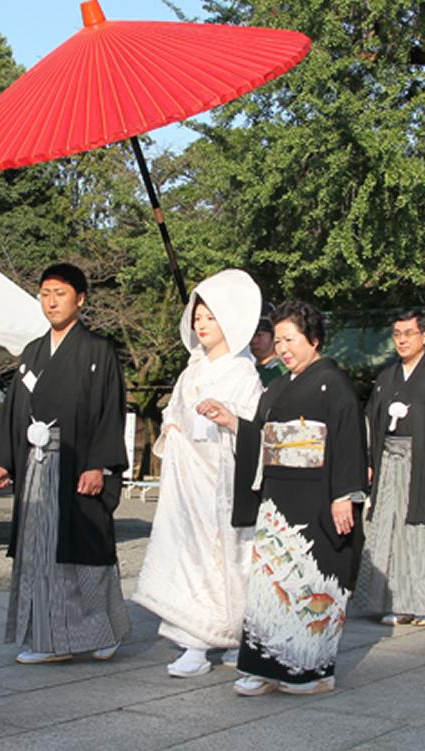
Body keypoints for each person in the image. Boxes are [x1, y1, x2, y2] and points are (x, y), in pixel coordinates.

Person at [200, 300, 367, 696]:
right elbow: (262, 436)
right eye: (279, 340)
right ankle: (262, 665)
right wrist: (231, 422)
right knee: (271, 586)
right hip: (278, 498)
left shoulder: (334, 383)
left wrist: (344, 495)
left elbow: (348, 441)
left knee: (309, 584)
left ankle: (311, 670)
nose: (284, 347)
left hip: (317, 497)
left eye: (290, 339)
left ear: (314, 339)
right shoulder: (278, 385)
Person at [0, 263, 131, 665]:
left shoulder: (98, 350)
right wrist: (6, 460)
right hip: (36, 465)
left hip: (78, 463)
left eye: (60, 293)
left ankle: (104, 631)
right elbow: (16, 409)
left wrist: (99, 465)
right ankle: (49, 639)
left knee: (86, 549)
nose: (51, 300)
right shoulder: (32, 352)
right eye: (45, 292)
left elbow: (109, 411)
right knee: (39, 552)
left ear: (80, 298)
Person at [132, 270, 264, 677]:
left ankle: (232, 632)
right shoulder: (190, 372)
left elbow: (255, 429)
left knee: (227, 555)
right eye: (198, 317)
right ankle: (192, 638)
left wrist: (229, 419)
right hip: (188, 480)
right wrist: (173, 426)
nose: (201, 325)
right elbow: (173, 412)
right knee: (186, 554)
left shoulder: (244, 374)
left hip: (222, 481)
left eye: (209, 317)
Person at [352, 311, 425, 626]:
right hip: (388, 462)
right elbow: (372, 421)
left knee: (419, 529)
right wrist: (370, 462)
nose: (401, 339)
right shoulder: (387, 377)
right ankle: (396, 602)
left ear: (424, 336)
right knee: (387, 529)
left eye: (408, 333)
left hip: (422, 462)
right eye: (397, 333)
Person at [249, 312, 289, 387]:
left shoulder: (283, 370)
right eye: (251, 336)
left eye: (259, 335)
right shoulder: (248, 369)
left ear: (274, 337)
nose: (254, 341)